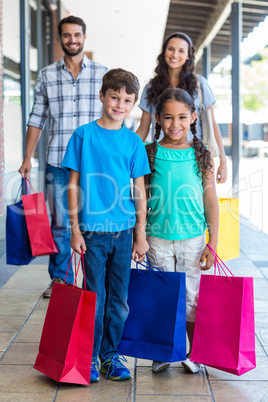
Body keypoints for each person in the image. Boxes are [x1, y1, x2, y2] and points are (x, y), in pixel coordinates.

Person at [61, 68, 151, 382]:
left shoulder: (133, 143)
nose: (119, 104)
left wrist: (140, 233)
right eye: (115, 97)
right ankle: (89, 358)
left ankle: (111, 356)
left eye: (127, 100)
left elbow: (139, 189)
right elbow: (72, 185)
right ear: (102, 96)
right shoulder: (83, 135)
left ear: (133, 105)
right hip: (92, 233)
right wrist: (73, 229)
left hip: (124, 231)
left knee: (119, 300)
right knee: (93, 298)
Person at [18, 16, 108, 297]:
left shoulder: (102, 74)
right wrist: (26, 158)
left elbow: (113, 117)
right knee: (60, 224)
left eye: (77, 34)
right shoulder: (46, 74)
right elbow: (37, 117)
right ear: (60, 39)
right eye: (66, 35)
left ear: (84, 37)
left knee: (93, 220)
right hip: (58, 161)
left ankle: (92, 279)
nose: (72, 39)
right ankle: (61, 279)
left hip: (94, 163)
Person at [145, 88, 219, 374]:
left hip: (194, 238)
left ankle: (193, 352)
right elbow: (141, 197)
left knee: (192, 299)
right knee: (163, 296)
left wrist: (213, 242)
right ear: (158, 119)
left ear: (194, 117)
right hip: (157, 238)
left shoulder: (203, 155)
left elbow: (210, 200)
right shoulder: (150, 153)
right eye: (168, 117)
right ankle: (164, 351)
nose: (175, 124)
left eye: (182, 117)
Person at [136, 31, 227, 184]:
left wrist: (223, 162)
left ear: (188, 56)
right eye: (171, 49)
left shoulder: (200, 85)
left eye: (181, 51)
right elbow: (143, 128)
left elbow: (213, 124)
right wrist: (124, 151)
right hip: (159, 159)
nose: (175, 54)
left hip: (194, 158)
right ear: (164, 51)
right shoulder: (151, 87)